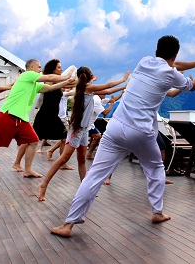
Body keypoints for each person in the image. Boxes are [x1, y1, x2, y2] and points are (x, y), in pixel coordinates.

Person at [50, 36, 195, 237]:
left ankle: (68, 224)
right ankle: (157, 212)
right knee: (156, 168)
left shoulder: (143, 61)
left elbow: (173, 63)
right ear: (175, 55)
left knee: (95, 174)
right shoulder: (170, 74)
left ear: (156, 50)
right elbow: (193, 85)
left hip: (115, 127)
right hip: (141, 132)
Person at [37, 67, 129, 201]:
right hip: (77, 130)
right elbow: (108, 86)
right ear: (90, 77)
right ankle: (43, 184)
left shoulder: (85, 88)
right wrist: (123, 80)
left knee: (81, 160)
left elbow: (108, 91)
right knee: (63, 158)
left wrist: (123, 88)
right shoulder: (87, 87)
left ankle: (85, 190)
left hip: (84, 130)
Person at [0, 59, 75, 182]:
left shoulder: (33, 84)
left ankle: (28, 170)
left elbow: (51, 88)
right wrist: (66, 76)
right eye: (39, 67)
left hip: (22, 119)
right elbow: (50, 77)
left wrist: (67, 81)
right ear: (31, 67)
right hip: (7, 115)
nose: (40, 69)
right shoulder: (27, 74)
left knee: (33, 141)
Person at [85, 92, 122, 160]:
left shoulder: (99, 98)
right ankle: (88, 153)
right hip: (87, 123)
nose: (105, 95)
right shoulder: (96, 100)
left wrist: (121, 93)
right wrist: (111, 104)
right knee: (97, 136)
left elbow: (113, 99)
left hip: (89, 123)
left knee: (96, 136)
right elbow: (105, 113)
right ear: (99, 93)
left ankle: (89, 153)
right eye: (104, 93)